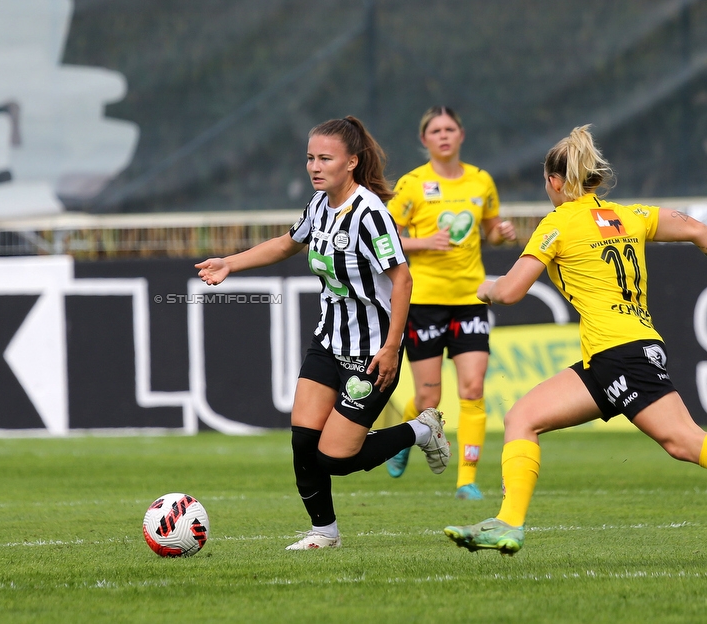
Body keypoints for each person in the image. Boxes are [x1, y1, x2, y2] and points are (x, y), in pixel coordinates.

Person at [444, 125, 707, 554]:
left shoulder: (559, 222)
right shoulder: (630, 215)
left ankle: (508, 522)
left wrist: (485, 287)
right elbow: (696, 228)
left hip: (622, 353)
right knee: (523, 417)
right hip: (611, 355)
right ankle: (508, 524)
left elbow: (510, 292)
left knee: (684, 442)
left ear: (554, 182)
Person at [196, 115, 450, 550]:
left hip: (371, 350)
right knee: (303, 443)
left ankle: (422, 431)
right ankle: (324, 533)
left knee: (335, 457)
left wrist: (391, 348)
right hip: (328, 342)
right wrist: (230, 263)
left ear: (351, 162)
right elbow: (285, 244)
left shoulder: (370, 214)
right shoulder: (318, 206)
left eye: (325, 158)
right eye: (310, 158)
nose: (314, 166)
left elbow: (403, 280)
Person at [384, 106, 516, 499]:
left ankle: (467, 480)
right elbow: (384, 237)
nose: (443, 135)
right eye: (435, 130)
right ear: (424, 141)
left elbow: (491, 229)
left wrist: (501, 233)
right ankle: (404, 439)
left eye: (450, 129)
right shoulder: (411, 185)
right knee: (429, 399)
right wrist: (423, 242)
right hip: (423, 301)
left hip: (470, 298)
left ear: (461, 135)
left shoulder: (481, 181)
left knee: (473, 387)